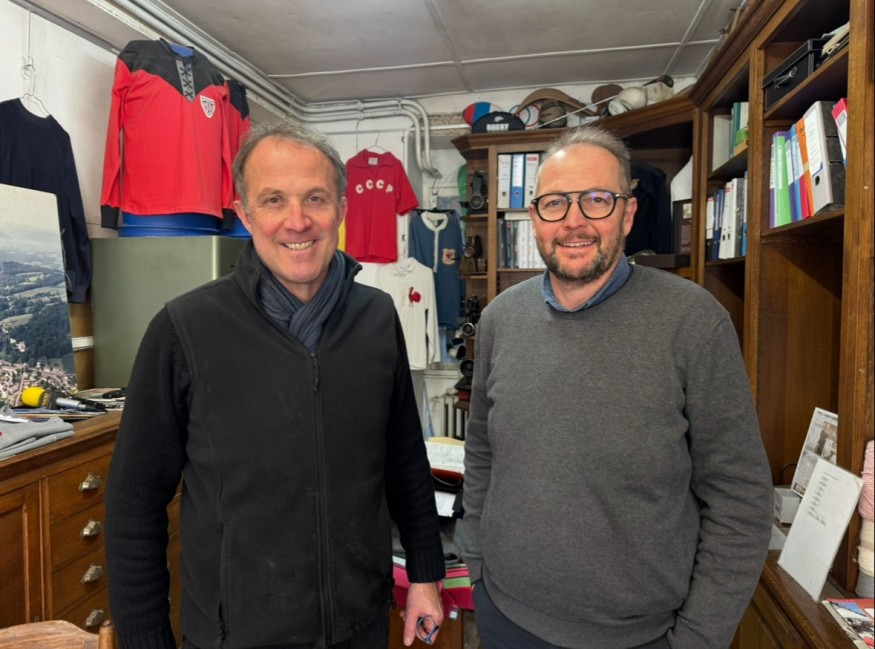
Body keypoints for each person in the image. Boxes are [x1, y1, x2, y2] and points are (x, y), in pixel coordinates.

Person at [104, 119, 445, 649]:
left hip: (359, 625)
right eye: (273, 200)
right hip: (234, 636)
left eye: (315, 198)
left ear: (341, 209)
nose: (297, 220)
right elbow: (133, 502)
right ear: (244, 213)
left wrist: (425, 574)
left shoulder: (377, 317)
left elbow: (404, 458)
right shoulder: (184, 329)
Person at [455, 125, 772, 649]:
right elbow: (483, 451)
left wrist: (698, 638)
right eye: (555, 203)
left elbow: (739, 498)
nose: (573, 221)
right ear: (534, 217)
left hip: (642, 636)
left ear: (627, 213)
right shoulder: (499, 319)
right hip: (504, 617)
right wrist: (476, 562)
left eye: (597, 199)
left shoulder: (694, 322)